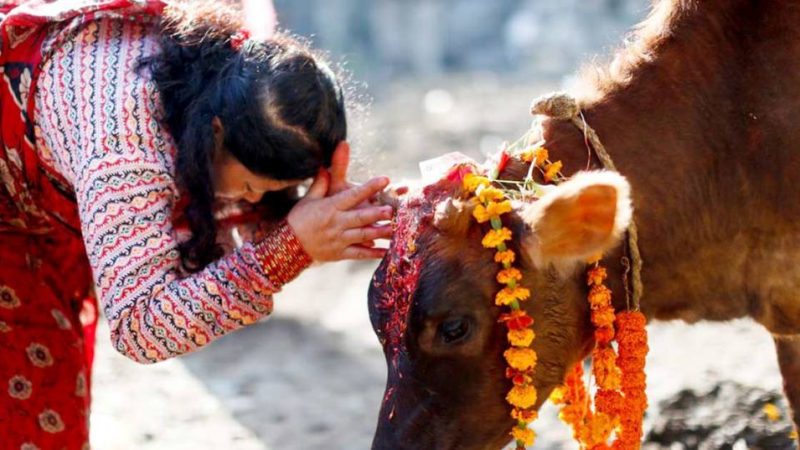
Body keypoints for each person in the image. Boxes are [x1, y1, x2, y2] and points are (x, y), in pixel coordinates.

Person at [0, 0, 393, 448]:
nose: (252, 201)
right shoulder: (126, 150)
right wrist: (289, 250)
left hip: (42, 212)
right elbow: (140, 325)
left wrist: (331, 216)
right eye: (249, 186)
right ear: (216, 132)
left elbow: (226, 223)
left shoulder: (225, 71)